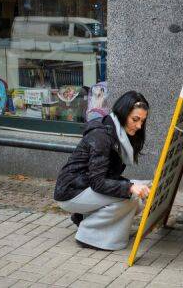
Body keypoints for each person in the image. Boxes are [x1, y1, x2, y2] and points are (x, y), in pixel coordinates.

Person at [54, 90, 150, 250]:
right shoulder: (102, 136)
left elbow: (107, 176)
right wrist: (130, 187)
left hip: (85, 185)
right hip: (71, 191)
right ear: (123, 113)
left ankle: (85, 217)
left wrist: (135, 186)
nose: (139, 126)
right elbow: (98, 182)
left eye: (142, 121)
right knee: (131, 199)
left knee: (140, 195)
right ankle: (88, 235)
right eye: (135, 119)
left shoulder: (118, 132)